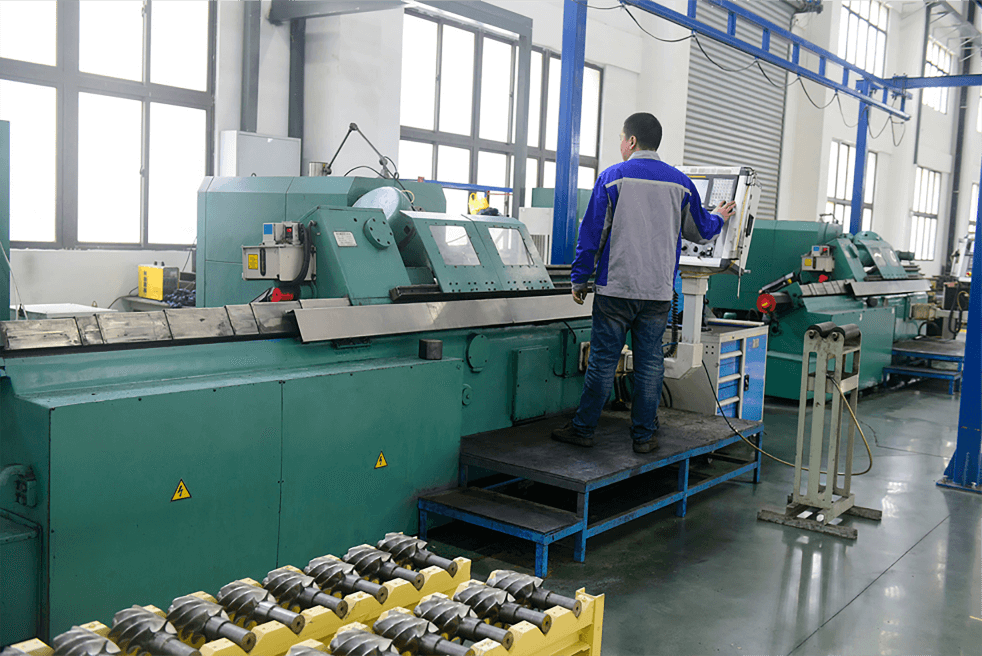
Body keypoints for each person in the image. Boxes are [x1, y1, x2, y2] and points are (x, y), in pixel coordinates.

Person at [551, 112, 736, 453]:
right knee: (650, 364)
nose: (621, 145)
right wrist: (719, 218)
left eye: (622, 139)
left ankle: (583, 429)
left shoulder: (612, 178)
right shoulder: (681, 183)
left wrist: (579, 278)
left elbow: (592, 234)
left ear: (632, 141)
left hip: (615, 289)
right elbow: (700, 231)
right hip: (658, 293)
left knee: (603, 362)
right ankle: (644, 436)